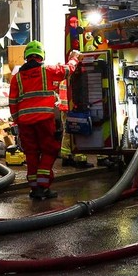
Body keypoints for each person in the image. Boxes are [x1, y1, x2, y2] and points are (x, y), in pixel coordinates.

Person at [9, 40, 80, 199]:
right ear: (42, 56)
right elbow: (68, 70)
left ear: (26, 56)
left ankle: (34, 188)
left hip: (25, 123)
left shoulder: (16, 78)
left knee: (31, 154)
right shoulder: (48, 70)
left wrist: (17, 122)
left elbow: (12, 102)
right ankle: (43, 186)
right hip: (45, 120)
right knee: (49, 151)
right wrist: (74, 57)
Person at [58, 79, 94, 169]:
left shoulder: (64, 80)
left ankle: (66, 157)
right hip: (72, 110)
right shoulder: (76, 80)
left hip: (65, 109)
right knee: (78, 132)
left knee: (67, 132)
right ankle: (80, 160)